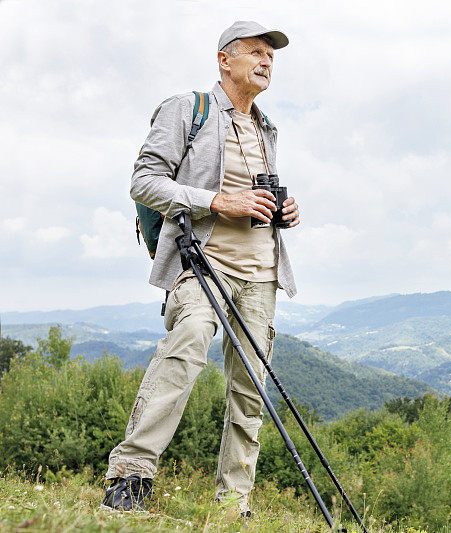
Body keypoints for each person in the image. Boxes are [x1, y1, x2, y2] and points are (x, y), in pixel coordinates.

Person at [101, 21, 299, 516]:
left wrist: (283, 211)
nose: (266, 62)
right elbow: (144, 182)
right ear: (224, 60)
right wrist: (216, 201)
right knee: (187, 343)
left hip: (261, 272)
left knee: (250, 387)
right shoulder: (187, 109)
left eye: (271, 57)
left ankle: (234, 504)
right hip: (202, 262)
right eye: (255, 52)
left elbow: (251, 197)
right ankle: (129, 479)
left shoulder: (266, 127)